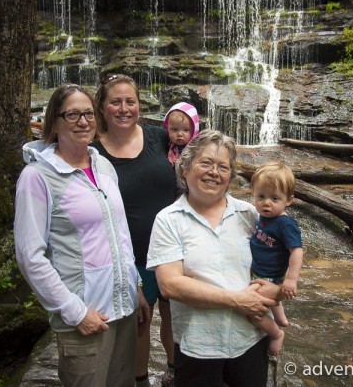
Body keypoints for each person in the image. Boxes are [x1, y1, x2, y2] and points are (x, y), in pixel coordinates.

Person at [14, 83, 142, 387]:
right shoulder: (37, 177)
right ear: (53, 122)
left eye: (87, 113)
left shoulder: (103, 165)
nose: (82, 122)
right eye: (72, 114)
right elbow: (29, 256)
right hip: (85, 317)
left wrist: (135, 285)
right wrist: (75, 312)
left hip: (123, 311)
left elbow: (119, 234)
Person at [147, 129, 285, 387]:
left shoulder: (250, 215)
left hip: (250, 339)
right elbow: (170, 284)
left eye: (223, 167)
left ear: (230, 175)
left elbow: (276, 263)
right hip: (198, 345)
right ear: (185, 168)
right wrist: (236, 300)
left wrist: (275, 290)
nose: (214, 172)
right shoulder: (168, 220)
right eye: (206, 163)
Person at [90, 73, 176, 387]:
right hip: (129, 259)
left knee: (175, 319)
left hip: (172, 254)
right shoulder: (92, 154)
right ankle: (139, 381)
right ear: (102, 107)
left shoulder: (162, 138)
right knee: (140, 322)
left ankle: (175, 373)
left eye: (131, 101)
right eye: (116, 102)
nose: (124, 108)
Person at [249, 161, 304, 356]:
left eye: (274, 198)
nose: (266, 203)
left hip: (270, 276)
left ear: (288, 200)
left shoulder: (285, 223)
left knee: (253, 311)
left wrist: (291, 279)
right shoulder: (265, 216)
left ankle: (275, 333)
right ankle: (281, 318)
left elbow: (297, 251)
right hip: (259, 269)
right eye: (261, 196)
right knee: (271, 303)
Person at [163, 101, 200, 166]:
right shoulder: (165, 144)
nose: (179, 134)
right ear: (167, 128)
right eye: (175, 129)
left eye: (186, 130)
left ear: (194, 131)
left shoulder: (196, 150)